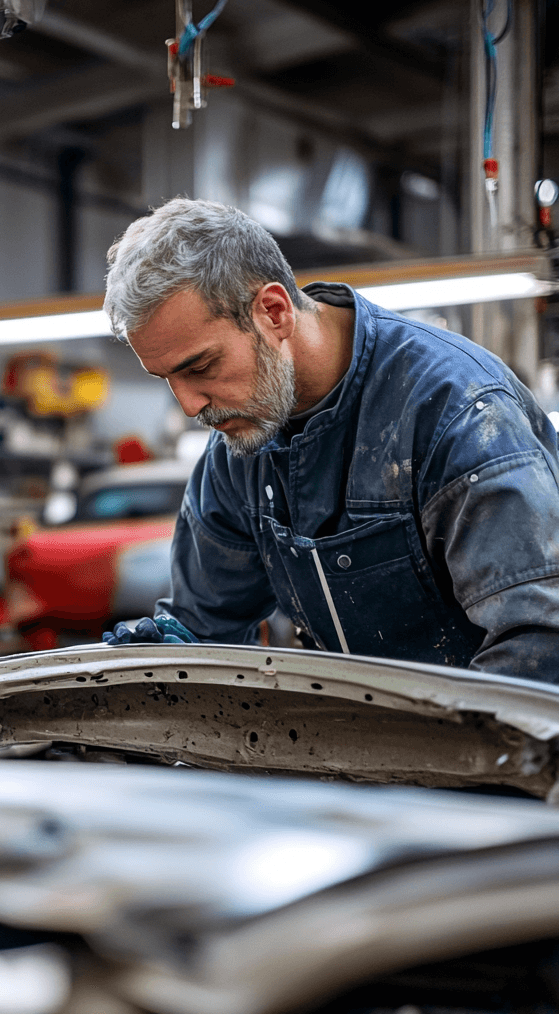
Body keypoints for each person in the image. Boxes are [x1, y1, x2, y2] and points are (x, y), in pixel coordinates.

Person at [102, 198, 559, 682]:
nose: (190, 405)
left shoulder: (454, 412)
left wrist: (443, 750)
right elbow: (205, 626)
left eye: (200, 367)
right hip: (356, 745)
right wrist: (170, 662)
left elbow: (539, 640)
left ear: (274, 313)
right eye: (165, 379)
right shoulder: (239, 454)